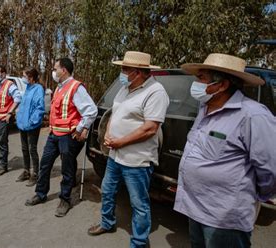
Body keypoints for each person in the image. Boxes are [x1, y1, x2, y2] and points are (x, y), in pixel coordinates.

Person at [174, 53, 276, 248]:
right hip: (195, 207)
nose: (195, 83)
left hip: (224, 217)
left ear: (222, 85)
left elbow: (271, 167)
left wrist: (255, 196)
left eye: (202, 78)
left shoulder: (253, 115)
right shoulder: (205, 108)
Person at [87, 51, 169, 248]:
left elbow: (150, 128)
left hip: (137, 160)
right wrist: (107, 132)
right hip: (116, 155)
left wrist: (121, 142)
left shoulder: (156, 92)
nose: (121, 73)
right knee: (107, 190)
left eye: (125, 69)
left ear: (139, 72)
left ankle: (139, 242)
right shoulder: (125, 88)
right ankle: (107, 223)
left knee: (139, 204)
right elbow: (114, 113)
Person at [25, 58, 97, 217]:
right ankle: (41, 193)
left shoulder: (76, 87)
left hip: (68, 136)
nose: (53, 71)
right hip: (54, 134)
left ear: (63, 70)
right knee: (45, 164)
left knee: (67, 169)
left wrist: (80, 128)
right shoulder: (58, 88)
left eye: (55, 68)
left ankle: (65, 199)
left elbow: (91, 110)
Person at [15, 67, 45, 186]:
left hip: (32, 126)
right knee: (24, 148)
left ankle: (35, 173)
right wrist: (19, 119)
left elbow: (39, 108)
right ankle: (26, 171)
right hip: (23, 125)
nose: (23, 78)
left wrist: (32, 122)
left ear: (31, 78)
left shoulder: (38, 89)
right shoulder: (28, 88)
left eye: (24, 76)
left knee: (32, 149)